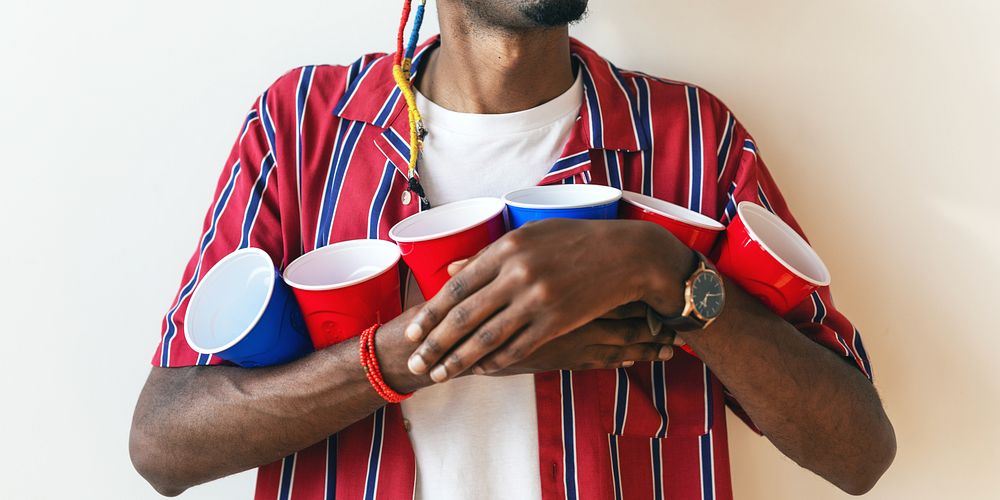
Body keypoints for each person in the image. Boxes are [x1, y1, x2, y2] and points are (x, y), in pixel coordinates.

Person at [129, 1, 896, 498]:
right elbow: (164, 442)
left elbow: (858, 453)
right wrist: (416, 352)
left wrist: (662, 268)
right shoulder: (302, 126)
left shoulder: (693, 138)